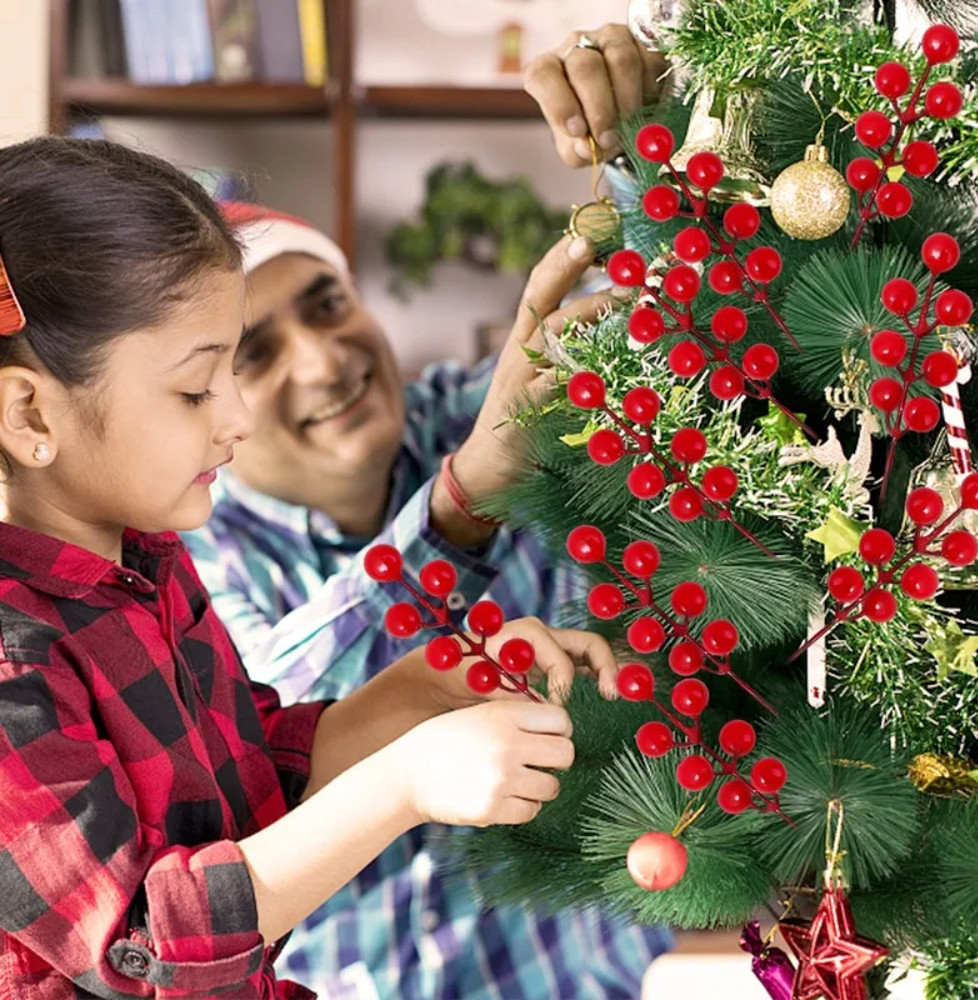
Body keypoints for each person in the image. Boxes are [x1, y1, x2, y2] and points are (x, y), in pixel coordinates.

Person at [0, 135, 623, 1000]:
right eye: (198, 388)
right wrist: (407, 781)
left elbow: (253, 779)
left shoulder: (151, 564)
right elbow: (139, 949)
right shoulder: (12, 657)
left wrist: (419, 690)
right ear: (30, 412)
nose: (238, 419)